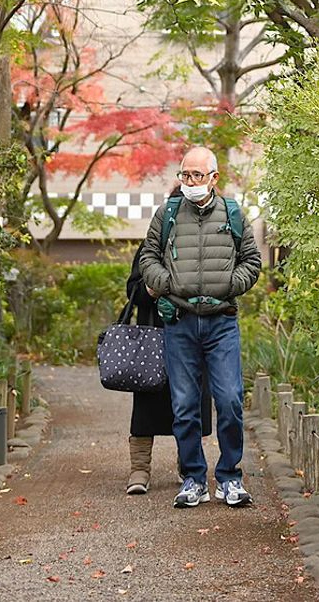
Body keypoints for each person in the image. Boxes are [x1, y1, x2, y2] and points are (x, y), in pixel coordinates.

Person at [140, 145, 261, 509]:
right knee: (185, 405)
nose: (189, 181)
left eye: (196, 175)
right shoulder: (168, 214)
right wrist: (168, 283)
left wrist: (229, 284)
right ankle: (193, 478)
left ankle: (229, 477)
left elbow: (252, 262)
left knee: (229, 400)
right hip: (179, 322)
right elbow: (147, 256)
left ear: (213, 178)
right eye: (184, 174)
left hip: (222, 322)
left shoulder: (234, 214)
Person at [123, 190, 212, 495]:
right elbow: (132, 289)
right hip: (155, 338)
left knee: (190, 405)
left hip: (197, 333)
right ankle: (139, 469)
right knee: (148, 404)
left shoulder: (210, 243)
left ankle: (188, 467)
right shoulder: (151, 244)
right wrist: (150, 289)